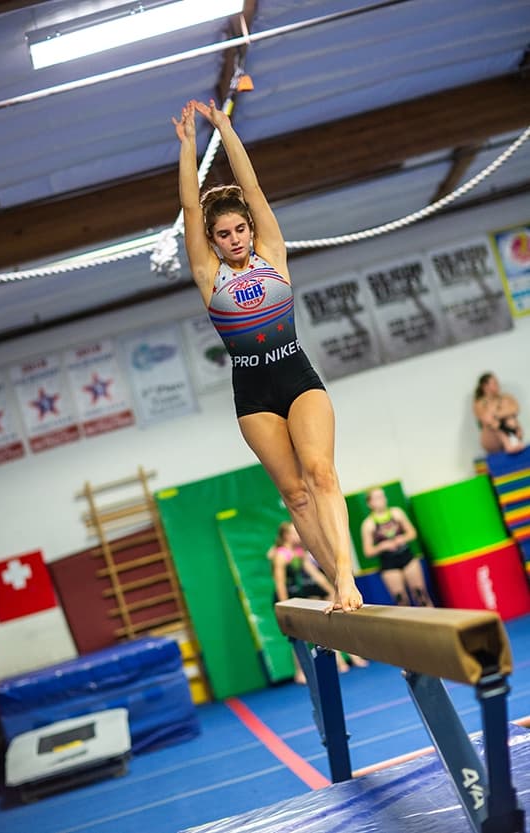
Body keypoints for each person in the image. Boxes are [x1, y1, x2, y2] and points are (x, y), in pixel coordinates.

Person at [173, 99, 362, 614]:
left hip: (297, 376)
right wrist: (189, 146)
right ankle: (333, 578)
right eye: (223, 234)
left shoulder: (273, 254)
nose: (234, 239)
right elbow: (192, 208)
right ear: (211, 242)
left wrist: (227, 131)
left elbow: (252, 190)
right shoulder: (210, 276)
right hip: (253, 394)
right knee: (296, 495)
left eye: (239, 230)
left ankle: (346, 576)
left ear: (251, 230)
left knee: (321, 473)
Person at [269, 522, 368, 683]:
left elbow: (315, 575)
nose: (298, 536)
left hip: (301, 593)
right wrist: (285, 605)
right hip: (286, 596)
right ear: (286, 536)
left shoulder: (299, 553)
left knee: (326, 615)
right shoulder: (281, 555)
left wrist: (333, 591)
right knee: (297, 635)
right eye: (294, 533)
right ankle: (300, 671)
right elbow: (279, 582)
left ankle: (341, 659)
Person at [360, 488, 433, 607]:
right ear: (370, 503)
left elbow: (412, 533)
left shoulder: (396, 513)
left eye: (383, 497)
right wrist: (382, 546)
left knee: (421, 594)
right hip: (389, 564)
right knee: (401, 601)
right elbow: (368, 551)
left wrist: (402, 539)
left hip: (407, 557)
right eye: (377, 498)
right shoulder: (368, 524)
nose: (382, 500)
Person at [473, 372, 524, 454]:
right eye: (494, 383)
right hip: (492, 439)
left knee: (509, 420)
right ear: (485, 386)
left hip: (513, 431)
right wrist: (492, 404)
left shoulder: (506, 397)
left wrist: (497, 415)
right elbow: (487, 419)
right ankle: (509, 444)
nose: (498, 384)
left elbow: (515, 408)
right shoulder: (479, 403)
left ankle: (513, 442)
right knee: (494, 424)